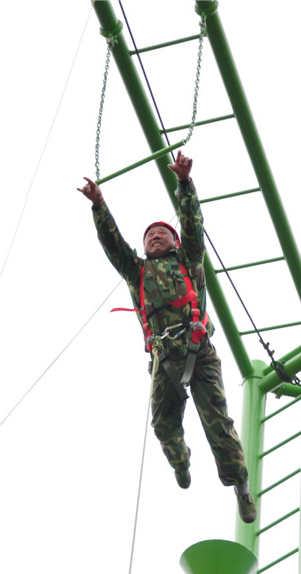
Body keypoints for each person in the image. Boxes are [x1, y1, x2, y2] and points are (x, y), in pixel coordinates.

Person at [78, 152, 257, 524]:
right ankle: (181, 462)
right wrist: (98, 205)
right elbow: (113, 243)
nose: (155, 237)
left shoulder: (189, 260)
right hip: (164, 359)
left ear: (174, 242)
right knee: (163, 424)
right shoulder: (137, 273)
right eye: (149, 236)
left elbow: (193, 225)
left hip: (198, 351)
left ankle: (240, 484)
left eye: (162, 233)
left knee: (218, 424)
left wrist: (185, 185)